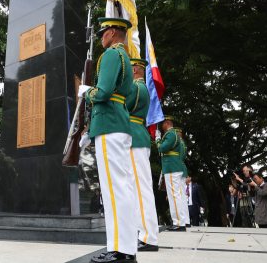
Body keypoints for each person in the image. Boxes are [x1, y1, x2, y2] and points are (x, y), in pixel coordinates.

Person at [78, 17, 137, 263]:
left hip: (110, 126)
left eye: (103, 32)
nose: (101, 36)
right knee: (119, 189)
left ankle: (121, 251)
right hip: (116, 124)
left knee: (114, 191)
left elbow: (102, 94)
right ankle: (121, 248)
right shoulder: (125, 58)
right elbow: (128, 98)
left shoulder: (112, 55)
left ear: (113, 32)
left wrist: (85, 91)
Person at [126, 58, 158, 252]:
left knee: (141, 190)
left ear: (136, 69)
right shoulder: (139, 87)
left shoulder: (137, 87)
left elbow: (120, 104)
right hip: (135, 138)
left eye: (128, 69)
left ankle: (149, 237)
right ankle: (143, 233)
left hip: (135, 138)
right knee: (136, 190)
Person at [156, 116, 186, 231]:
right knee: (175, 195)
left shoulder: (170, 134)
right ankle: (178, 222)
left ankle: (179, 223)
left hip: (172, 167)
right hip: (172, 167)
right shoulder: (172, 134)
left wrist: (158, 139)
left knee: (174, 195)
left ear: (167, 123)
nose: (161, 125)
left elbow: (163, 148)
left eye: (163, 123)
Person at [175, 128, 190, 228]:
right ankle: (186, 219)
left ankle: (183, 220)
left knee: (179, 195)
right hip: (182, 167)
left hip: (178, 167)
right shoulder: (183, 143)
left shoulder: (179, 143)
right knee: (182, 195)